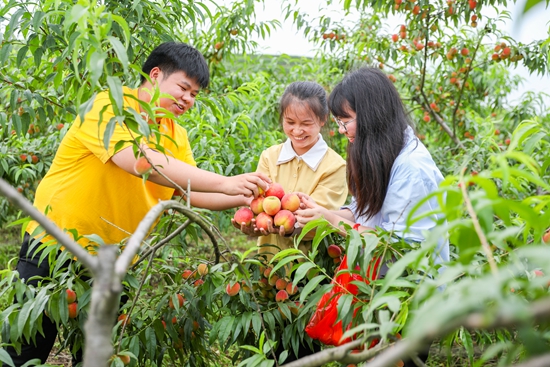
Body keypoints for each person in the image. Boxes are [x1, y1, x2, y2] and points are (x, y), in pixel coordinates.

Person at [5, 42, 270, 367]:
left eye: (195, 94)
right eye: (184, 88)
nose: (188, 99)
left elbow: (187, 191)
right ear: (155, 75)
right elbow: (140, 161)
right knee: (23, 350)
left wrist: (242, 197)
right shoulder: (107, 106)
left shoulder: (176, 135)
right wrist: (226, 181)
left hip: (114, 261)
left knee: (95, 356)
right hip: (52, 246)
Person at [294, 67, 450, 366]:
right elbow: (363, 208)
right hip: (381, 287)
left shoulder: (411, 168)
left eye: (346, 121)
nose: (342, 131)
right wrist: (325, 212)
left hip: (409, 298)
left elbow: (399, 246)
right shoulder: (384, 150)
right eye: (339, 122)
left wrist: (331, 220)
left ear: (372, 115)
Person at [232, 81, 348, 362]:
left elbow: (318, 223)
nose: (297, 130)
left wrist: (285, 223)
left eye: (306, 123)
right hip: (269, 263)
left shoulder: (334, 166)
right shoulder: (270, 157)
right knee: (269, 337)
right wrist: (250, 224)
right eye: (290, 122)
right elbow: (258, 205)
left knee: (303, 343)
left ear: (322, 121)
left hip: (309, 273)